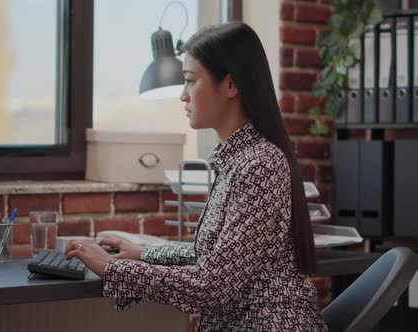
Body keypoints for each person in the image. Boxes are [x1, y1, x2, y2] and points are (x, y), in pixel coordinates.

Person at [65, 22, 328, 331]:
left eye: (190, 81)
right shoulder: (238, 159)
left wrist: (112, 267)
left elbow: (211, 284)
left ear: (230, 85)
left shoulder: (259, 164)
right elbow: (217, 256)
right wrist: (146, 253)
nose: (183, 96)